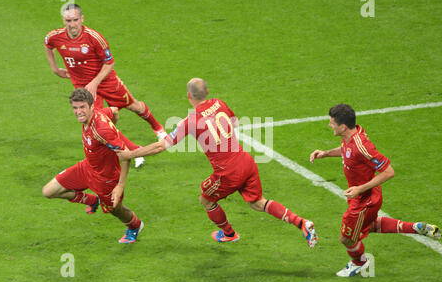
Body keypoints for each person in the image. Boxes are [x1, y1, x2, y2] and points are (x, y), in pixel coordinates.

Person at [115, 78, 318, 247]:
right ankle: (301, 223)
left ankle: (229, 233)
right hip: (246, 161)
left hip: (227, 172)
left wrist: (131, 154)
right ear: (207, 92)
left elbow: (162, 146)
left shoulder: (189, 121)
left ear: (188, 96)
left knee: (207, 199)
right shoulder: (219, 103)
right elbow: (235, 123)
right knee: (257, 202)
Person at [309, 103, 441, 277]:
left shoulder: (362, 147)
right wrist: (325, 153)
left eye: (332, 123)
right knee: (367, 226)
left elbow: (389, 172)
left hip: (365, 199)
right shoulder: (349, 137)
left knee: (347, 238)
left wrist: (359, 189)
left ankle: (360, 262)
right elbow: (346, 150)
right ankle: (416, 228)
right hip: (362, 196)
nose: (329, 125)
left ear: (342, 126)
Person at [44, 3, 166, 167]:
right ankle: (134, 150)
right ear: (63, 20)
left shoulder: (94, 38)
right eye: (68, 20)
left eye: (75, 20)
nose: (72, 24)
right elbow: (48, 45)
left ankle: (158, 129)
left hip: (106, 81)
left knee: (134, 106)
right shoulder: (55, 36)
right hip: (83, 88)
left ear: (82, 19)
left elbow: (109, 63)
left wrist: (95, 82)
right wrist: (54, 68)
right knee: (99, 121)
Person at [42, 88, 144, 244]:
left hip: (106, 179)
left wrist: (120, 186)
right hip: (87, 167)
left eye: (82, 107)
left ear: (91, 107)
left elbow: (126, 156)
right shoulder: (97, 115)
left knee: (116, 210)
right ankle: (91, 200)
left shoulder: (101, 130)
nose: (78, 112)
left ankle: (135, 226)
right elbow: (114, 111)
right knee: (48, 191)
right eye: (75, 108)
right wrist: (114, 128)